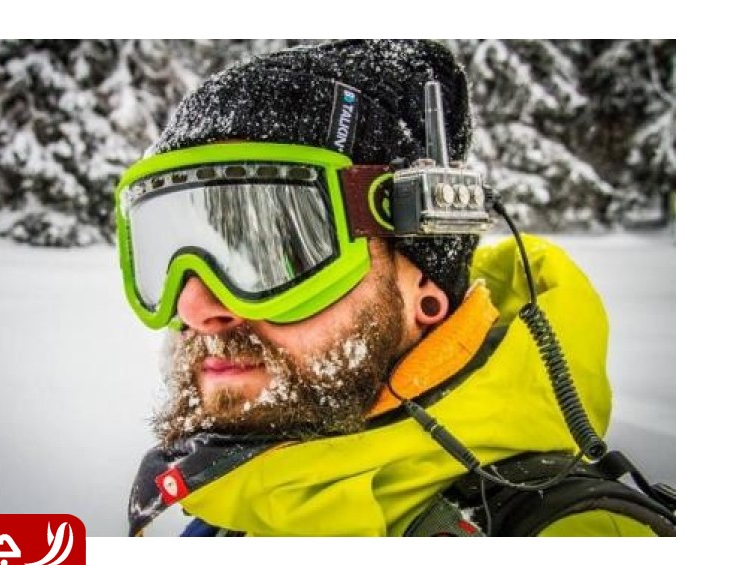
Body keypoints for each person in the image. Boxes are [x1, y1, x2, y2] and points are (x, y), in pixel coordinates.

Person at [116, 40, 675, 537]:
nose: (194, 306)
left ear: (423, 285)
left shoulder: (578, 535)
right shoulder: (243, 504)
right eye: (171, 252)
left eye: (271, 251)